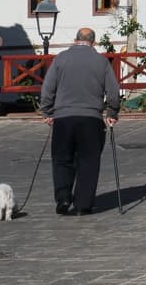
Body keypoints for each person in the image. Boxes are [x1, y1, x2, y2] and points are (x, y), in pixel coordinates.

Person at [40, 27, 120, 215]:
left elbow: (47, 88)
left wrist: (47, 111)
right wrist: (112, 112)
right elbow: (113, 92)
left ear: (75, 40)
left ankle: (63, 197)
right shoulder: (101, 61)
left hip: (63, 118)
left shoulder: (60, 59)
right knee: (89, 161)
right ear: (94, 42)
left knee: (62, 159)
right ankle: (83, 204)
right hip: (91, 118)